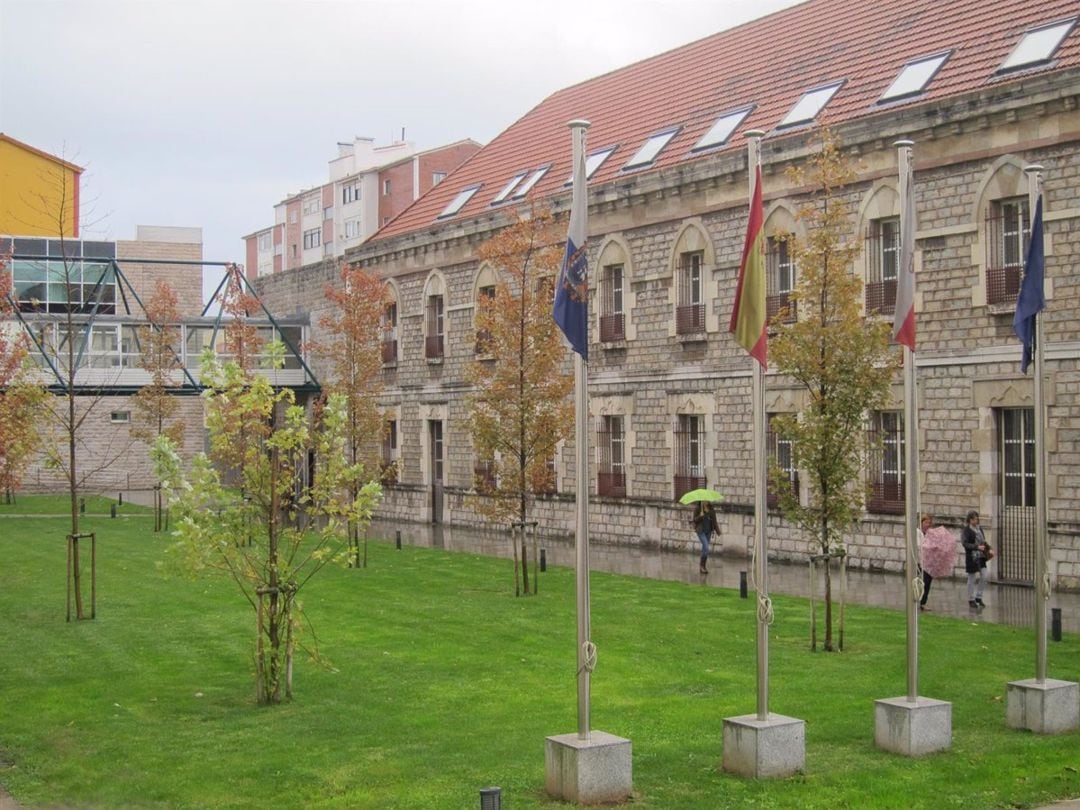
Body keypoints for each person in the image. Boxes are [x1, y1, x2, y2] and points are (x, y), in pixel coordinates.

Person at [961, 510, 991, 609]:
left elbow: (984, 541)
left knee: (984, 575)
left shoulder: (979, 529)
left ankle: (979, 596)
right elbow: (965, 543)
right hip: (972, 557)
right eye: (974, 518)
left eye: (977, 518)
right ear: (969, 520)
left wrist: (989, 549)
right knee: (971, 578)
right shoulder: (966, 530)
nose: (976, 520)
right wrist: (976, 547)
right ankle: (971, 599)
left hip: (981, 556)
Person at [691, 500, 718, 574]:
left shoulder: (711, 509)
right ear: (701, 501)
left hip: (708, 531)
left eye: (707, 500)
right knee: (706, 547)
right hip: (701, 531)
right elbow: (694, 520)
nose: (706, 501)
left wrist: (718, 531)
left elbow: (714, 521)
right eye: (704, 500)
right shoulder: (698, 508)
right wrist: (700, 515)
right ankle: (702, 566)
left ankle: (703, 567)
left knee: (704, 549)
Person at [918, 512, 933, 611]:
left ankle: (923, 602)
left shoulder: (930, 533)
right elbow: (919, 546)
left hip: (928, 561)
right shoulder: (918, 532)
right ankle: (918, 601)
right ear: (922, 522)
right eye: (926, 522)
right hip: (920, 561)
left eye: (929, 523)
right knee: (921, 581)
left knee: (927, 582)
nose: (928, 525)